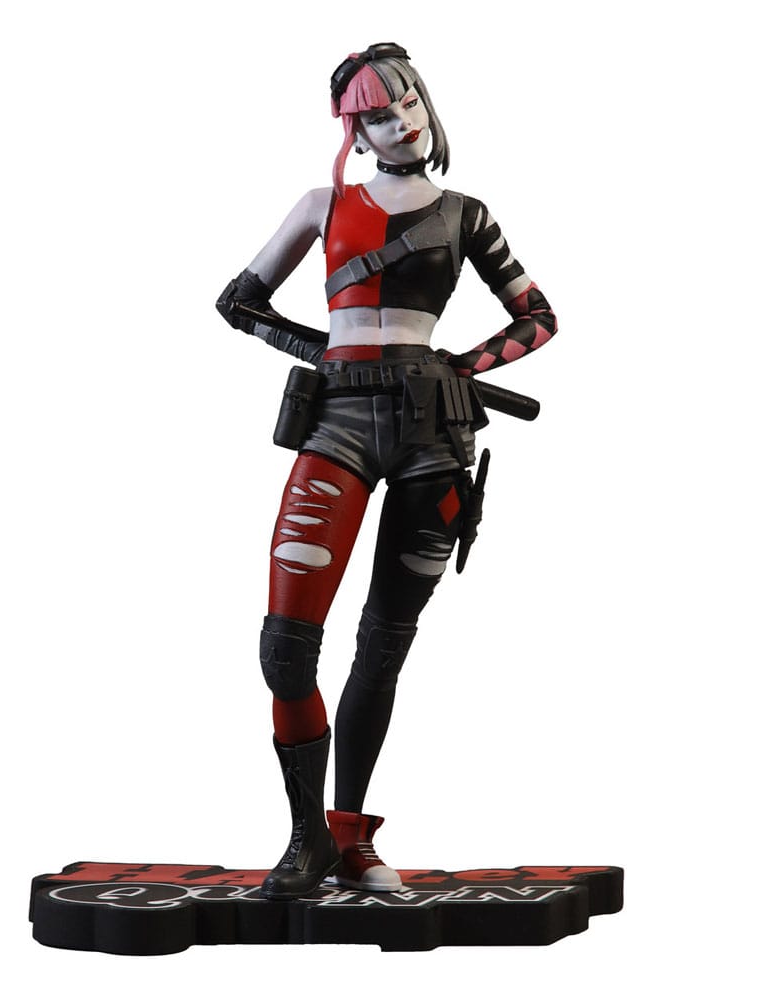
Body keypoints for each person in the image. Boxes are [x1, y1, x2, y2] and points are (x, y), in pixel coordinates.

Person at [216, 43, 557, 900]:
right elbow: (237, 303)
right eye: (375, 113)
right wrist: (330, 354)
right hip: (336, 427)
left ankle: (349, 837)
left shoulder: (468, 215)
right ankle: (305, 841)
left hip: (434, 438)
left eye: (407, 102)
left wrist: (460, 367)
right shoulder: (324, 205)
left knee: (384, 644)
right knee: (285, 648)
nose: (400, 122)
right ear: (353, 132)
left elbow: (539, 315)